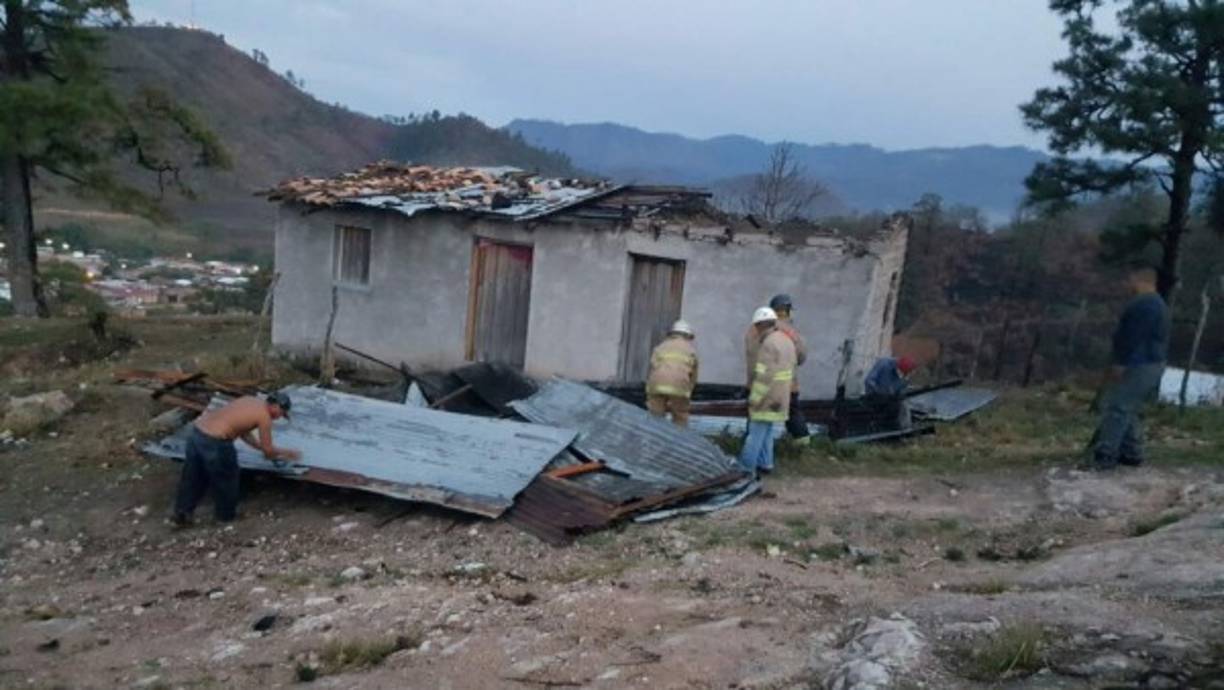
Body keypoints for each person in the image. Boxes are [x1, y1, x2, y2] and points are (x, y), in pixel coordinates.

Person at [172, 392, 300, 525]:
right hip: (216, 442)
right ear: (275, 406)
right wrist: (287, 453)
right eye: (281, 413)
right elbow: (268, 452)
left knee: (193, 476)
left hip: (197, 434)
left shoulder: (249, 400)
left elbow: (243, 432)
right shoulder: (264, 417)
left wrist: (261, 448)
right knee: (227, 478)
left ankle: (182, 514)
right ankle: (225, 517)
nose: (279, 418)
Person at [1091, 265, 1169, 470]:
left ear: (1139, 279)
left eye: (1131, 278)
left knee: (1117, 407)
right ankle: (1132, 452)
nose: (1128, 283)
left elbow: (1132, 336)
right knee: (1128, 406)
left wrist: (1121, 362)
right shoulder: (1156, 303)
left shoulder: (1146, 304)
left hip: (1140, 363)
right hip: (1150, 363)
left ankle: (1106, 454)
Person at [740, 307, 797, 476]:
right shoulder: (786, 340)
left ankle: (745, 468)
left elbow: (763, 377)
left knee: (755, 433)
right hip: (782, 396)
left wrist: (754, 398)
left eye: (756, 327)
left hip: (767, 397)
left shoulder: (768, 344)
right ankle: (766, 463)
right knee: (767, 431)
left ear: (760, 325)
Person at [769, 294, 810, 439]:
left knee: (759, 416)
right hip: (789, 383)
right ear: (787, 310)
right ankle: (801, 446)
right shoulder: (793, 333)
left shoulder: (763, 327)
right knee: (793, 413)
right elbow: (802, 357)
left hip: (768, 381)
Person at [645, 320, 699, 427]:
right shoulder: (691, 351)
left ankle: (654, 439)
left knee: (655, 417)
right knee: (680, 416)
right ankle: (678, 440)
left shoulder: (660, 347)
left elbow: (653, 367)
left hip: (656, 385)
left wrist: (650, 389)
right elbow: (693, 376)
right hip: (679, 386)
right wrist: (688, 391)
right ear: (688, 335)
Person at [864, 356, 918, 429]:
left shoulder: (906, 376)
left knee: (902, 404)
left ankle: (902, 427)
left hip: (891, 400)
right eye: (902, 373)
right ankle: (878, 425)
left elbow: (901, 390)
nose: (903, 376)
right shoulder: (884, 363)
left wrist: (900, 394)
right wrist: (879, 391)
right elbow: (869, 381)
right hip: (875, 396)